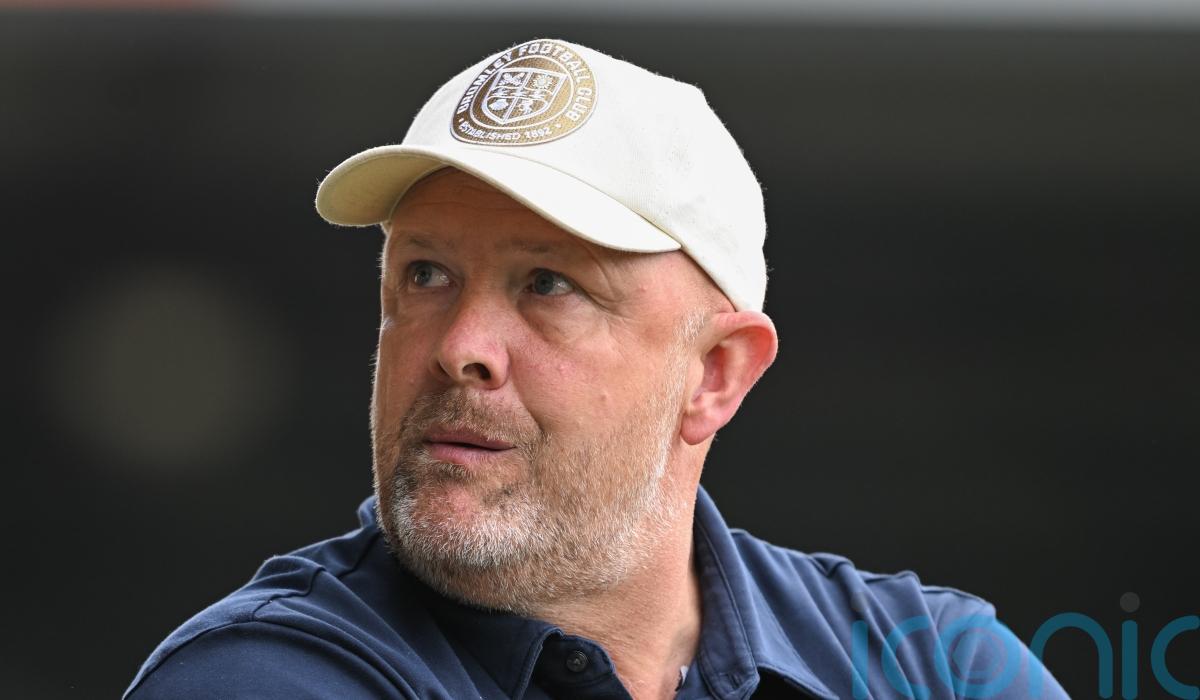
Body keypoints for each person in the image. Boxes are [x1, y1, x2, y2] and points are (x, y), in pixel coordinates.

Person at [124, 38, 1068, 700]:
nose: (460, 346)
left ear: (716, 375)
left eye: (548, 284)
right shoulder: (266, 677)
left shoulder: (939, 665)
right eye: (425, 274)